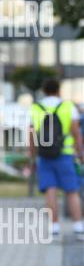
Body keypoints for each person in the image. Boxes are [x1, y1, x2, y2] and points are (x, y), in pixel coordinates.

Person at [28, 79, 84, 239]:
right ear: (59, 90)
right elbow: (76, 133)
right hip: (65, 154)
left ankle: (54, 228)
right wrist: (80, 153)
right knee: (71, 191)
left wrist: (32, 156)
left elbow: (31, 134)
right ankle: (78, 227)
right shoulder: (68, 106)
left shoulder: (35, 108)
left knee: (50, 190)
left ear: (44, 91)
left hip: (44, 155)